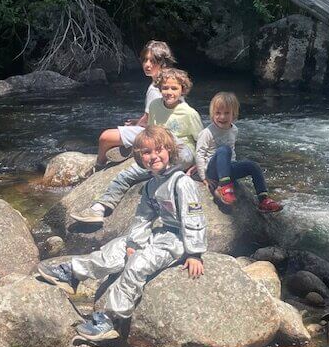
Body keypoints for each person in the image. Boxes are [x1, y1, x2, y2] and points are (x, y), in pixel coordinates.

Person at [38, 126, 207, 341]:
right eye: (147, 152)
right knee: (117, 246)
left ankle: (112, 318)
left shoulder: (181, 182)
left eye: (159, 150)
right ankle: (73, 273)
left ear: (170, 151)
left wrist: (194, 253)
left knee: (138, 264)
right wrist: (134, 243)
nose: (154, 156)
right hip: (162, 233)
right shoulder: (151, 185)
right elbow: (143, 217)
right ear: (139, 157)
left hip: (178, 240)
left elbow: (194, 217)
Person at [71, 68, 203, 224]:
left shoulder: (189, 113)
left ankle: (160, 173)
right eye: (165, 88)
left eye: (174, 88)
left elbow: (201, 140)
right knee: (126, 175)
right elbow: (151, 134)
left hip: (182, 153)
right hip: (158, 156)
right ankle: (99, 209)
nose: (169, 92)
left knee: (167, 135)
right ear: (159, 88)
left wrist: (198, 165)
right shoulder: (155, 105)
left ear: (183, 90)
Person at [196, 91, 283, 212]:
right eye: (218, 113)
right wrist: (204, 177)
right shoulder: (207, 132)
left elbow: (232, 153)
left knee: (253, 166)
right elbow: (199, 154)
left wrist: (234, 168)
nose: (222, 117)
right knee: (224, 149)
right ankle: (224, 187)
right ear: (212, 114)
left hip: (228, 168)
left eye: (227, 113)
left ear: (234, 114)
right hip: (213, 171)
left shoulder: (234, 130)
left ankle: (263, 199)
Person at [95, 40, 176, 168]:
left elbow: (148, 119)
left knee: (105, 137)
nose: (147, 65)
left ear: (163, 63)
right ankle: (132, 148)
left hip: (157, 135)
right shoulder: (174, 83)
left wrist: (137, 125)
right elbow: (155, 115)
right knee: (129, 127)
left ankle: (99, 166)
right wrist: (136, 122)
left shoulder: (156, 88)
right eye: (145, 60)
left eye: (152, 61)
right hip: (166, 132)